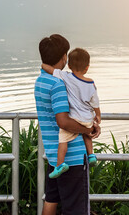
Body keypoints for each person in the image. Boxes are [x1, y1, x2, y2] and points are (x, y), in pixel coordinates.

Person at [34, 34, 100, 215]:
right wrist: (88, 129)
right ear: (63, 57)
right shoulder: (58, 84)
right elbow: (62, 120)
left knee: (51, 200)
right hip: (72, 157)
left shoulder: (41, 81)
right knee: (76, 209)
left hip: (55, 155)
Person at [42, 47, 101, 179]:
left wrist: (42, 64)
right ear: (87, 67)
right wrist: (98, 116)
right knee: (87, 133)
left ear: (68, 65)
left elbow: (49, 69)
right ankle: (91, 154)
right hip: (87, 118)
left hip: (74, 119)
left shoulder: (66, 77)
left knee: (63, 139)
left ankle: (60, 164)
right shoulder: (91, 83)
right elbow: (95, 104)